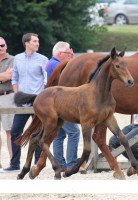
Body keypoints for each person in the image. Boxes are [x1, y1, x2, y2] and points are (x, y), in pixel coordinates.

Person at [0, 33, 48, 172]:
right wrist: (17, 94)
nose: (38, 43)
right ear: (26, 43)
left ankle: (37, 163)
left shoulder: (43, 59)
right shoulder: (18, 59)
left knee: (39, 131)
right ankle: (14, 164)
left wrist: (43, 97)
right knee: (15, 131)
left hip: (38, 101)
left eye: (38, 41)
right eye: (35, 41)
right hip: (22, 101)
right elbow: (14, 79)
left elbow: (46, 80)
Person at [46, 41, 80, 172]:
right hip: (61, 104)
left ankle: (60, 164)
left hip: (53, 104)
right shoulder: (59, 65)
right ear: (60, 53)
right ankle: (71, 164)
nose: (70, 55)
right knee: (74, 132)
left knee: (59, 135)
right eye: (68, 53)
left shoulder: (51, 63)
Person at [0, 37, 14, 168]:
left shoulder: (12, 60)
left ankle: (13, 161)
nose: (0, 47)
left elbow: (9, 76)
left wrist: (4, 76)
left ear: (6, 46)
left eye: (2, 45)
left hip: (6, 97)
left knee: (9, 130)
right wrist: (2, 76)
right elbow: (4, 77)